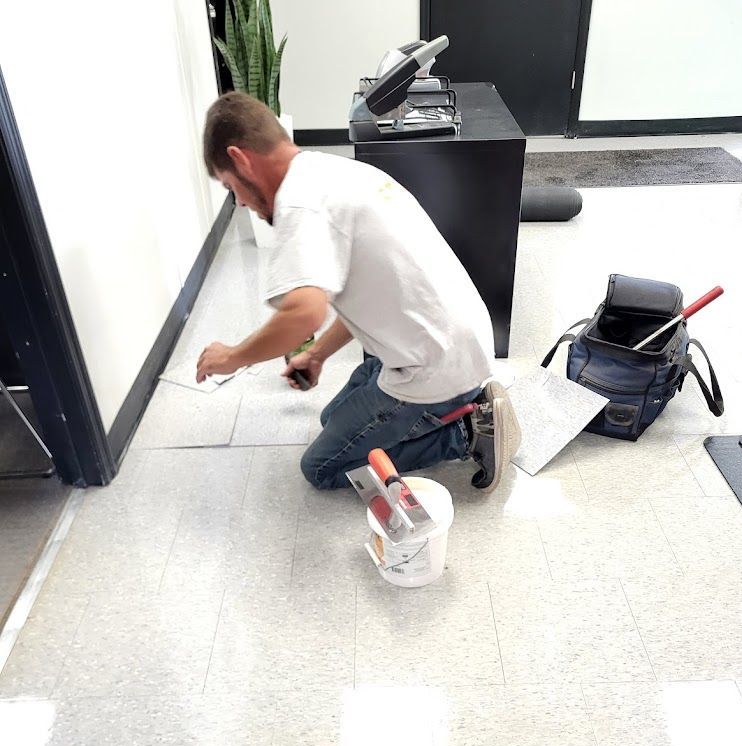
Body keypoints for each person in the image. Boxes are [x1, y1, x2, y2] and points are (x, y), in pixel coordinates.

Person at [197, 92, 520, 492]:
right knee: (330, 419)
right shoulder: (328, 172)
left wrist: (232, 357)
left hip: (434, 368)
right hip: (451, 339)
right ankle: (457, 405)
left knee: (322, 467)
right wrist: (316, 355)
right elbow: (368, 292)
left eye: (232, 187)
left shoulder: (299, 205)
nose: (242, 202)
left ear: (241, 159)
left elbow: (304, 314)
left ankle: (466, 433)